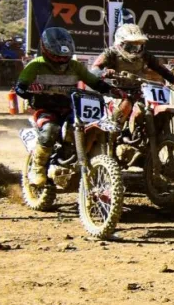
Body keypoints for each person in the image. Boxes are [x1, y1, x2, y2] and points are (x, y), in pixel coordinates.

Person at [14, 27, 120, 186]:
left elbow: (94, 82)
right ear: (46, 50)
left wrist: (111, 90)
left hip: (71, 108)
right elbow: (20, 87)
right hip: (46, 109)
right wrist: (29, 92)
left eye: (64, 56)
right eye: (57, 56)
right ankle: (38, 167)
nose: (61, 60)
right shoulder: (35, 65)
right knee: (51, 130)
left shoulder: (75, 66)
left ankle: (89, 161)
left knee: (89, 127)